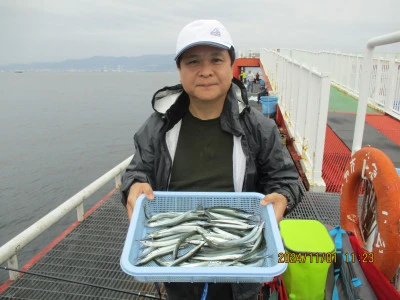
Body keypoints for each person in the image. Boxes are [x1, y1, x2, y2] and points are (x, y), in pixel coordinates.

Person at [121, 19, 302, 300]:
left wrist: (282, 197)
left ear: (231, 65)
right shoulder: (157, 127)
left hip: (241, 271)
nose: (205, 71)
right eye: (193, 62)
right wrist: (134, 185)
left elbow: (286, 180)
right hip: (177, 264)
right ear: (180, 70)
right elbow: (138, 170)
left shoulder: (259, 129)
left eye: (216, 59)